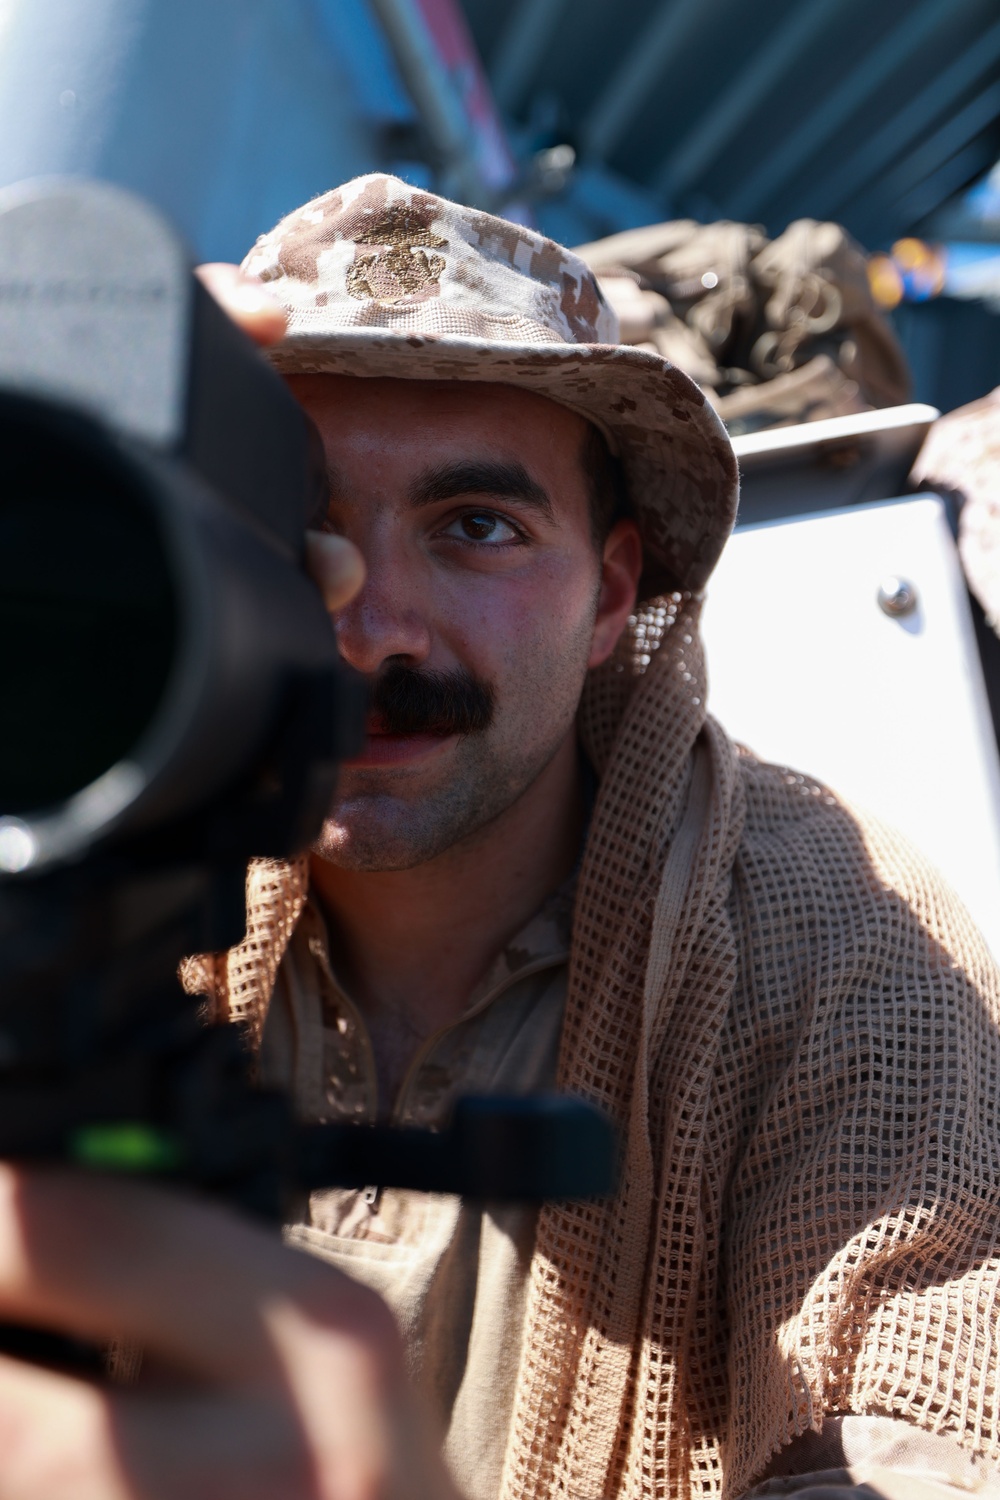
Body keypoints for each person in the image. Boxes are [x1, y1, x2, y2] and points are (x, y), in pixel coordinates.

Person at [2, 178, 1000, 1500]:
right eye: (309, 534)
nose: (375, 629)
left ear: (614, 594)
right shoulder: (87, 888)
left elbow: (916, 1451)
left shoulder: (840, 956)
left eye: (477, 529)